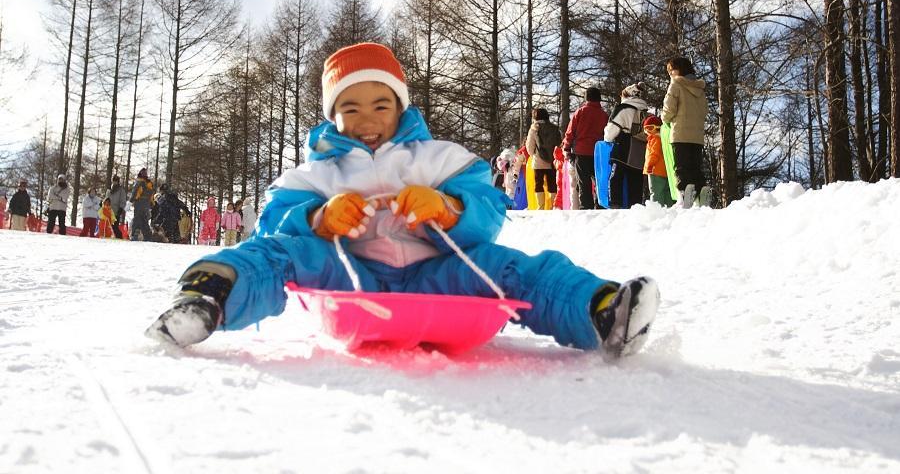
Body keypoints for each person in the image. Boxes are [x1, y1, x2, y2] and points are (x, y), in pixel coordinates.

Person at [146, 42, 659, 359]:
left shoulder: (437, 157)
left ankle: (599, 310)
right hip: (350, 274)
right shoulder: (320, 169)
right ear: (332, 116)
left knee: (509, 266)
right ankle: (207, 296)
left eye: (379, 103)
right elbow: (274, 220)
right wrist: (320, 217)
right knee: (276, 254)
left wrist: (447, 208)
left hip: (435, 274)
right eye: (349, 107)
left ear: (400, 106)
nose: (366, 117)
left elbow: (488, 204)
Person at [661, 56, 710, 207]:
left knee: (681, 166)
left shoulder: (675, 84)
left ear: (679, 69)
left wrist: (665, 119)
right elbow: (704, 111)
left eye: (671, 70)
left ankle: (684, 195)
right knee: (696, 167)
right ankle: (703, 193)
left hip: (680, 133)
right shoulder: (700, 88)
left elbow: (669, 109)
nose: (670, 74)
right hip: (696, 135)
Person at [562, 87, 609, 210]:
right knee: (599, 180)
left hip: (581, 152)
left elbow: (570, 132)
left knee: (583, 182)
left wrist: (567, 147)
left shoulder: (580, 112)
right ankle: (600, 205)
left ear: (586, 98)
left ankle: (585, 207)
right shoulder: (604, 115)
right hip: (598, 153)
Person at [604, 83, 649, 209]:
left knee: (615, 178)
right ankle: (635, 207)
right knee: (635, 182)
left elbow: (611, 131)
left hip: (623, 147)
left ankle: (615, 205)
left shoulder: (622, 108)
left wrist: (607, 137)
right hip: (640, 150)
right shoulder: (645, 112)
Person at [525, 108, 562, 210]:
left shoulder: (534, 129)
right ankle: (553, 206)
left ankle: (540, 207)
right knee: (552, 184)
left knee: (538, 184)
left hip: (538, 162)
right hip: (552, 162)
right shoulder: (554, 128)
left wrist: (534, 155)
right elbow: (559, 144)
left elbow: (529, 146)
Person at [642, 115, 674, 207]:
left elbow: (654, 153)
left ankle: (656, 209)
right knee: (666, 191)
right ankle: (670, 208)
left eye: (650, 128)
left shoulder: (655, 139)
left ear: (658, 128)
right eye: (645, 129)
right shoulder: (664, 139)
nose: (648, 131)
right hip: (665, 171)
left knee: (655, 192)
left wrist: (649, 165)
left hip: (654, 170)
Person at [129, 168, 154, 241]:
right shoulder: (149, 183)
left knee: (137, 219)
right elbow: (152, 195)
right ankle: (148, 236)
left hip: (139, 203)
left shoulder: (139, 182)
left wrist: (131, 201)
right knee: (144, 220)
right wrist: (152, 203)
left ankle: (134, 235)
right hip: (146, 204)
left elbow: (135, 193)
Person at [106, 175, 127, 239]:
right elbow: (106, 198)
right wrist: (104, 204)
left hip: (116, 210)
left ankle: (119, 237)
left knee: (115, 226)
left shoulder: (121, 190)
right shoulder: (109, 189)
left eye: (116, 181)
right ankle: (109, 237)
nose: (115, 182)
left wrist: (121, 208)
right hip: (108, 210)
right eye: (114, 181)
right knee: (108, 226)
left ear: (118, 182)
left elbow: (123, 200)